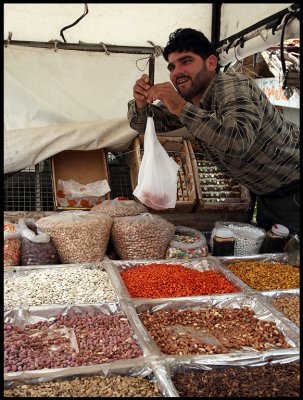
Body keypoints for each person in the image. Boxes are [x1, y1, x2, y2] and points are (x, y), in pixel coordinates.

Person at [127, 28, 300, 236]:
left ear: (211, 63)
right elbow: (143, 123)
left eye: (186, 61)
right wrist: (139, 102)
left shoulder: (232, 86)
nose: (176, 72)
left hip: (294, 189)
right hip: (268, 194)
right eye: (172, 66)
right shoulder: (194, 100)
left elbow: (238, 140)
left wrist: (180, 106)